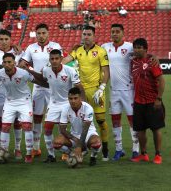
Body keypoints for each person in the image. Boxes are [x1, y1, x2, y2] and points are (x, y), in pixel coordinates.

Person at [0, 53, 47, 163]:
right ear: (2, 63)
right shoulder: (0, 73)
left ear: (14, 63)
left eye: (9, 62)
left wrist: (49, 86)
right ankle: (3, 150)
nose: (7, 64)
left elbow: (36, 81)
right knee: (5, 127)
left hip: (24, 102)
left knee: (26, 126)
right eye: (5, 62)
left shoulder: (23, 73)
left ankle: (29, 154)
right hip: (9, 102)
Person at [25, 49, 85, 162]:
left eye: (57, 58)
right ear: (49, 60)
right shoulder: (47, 70)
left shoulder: (70, 70)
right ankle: (51, 155)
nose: (54, 61)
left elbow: (79, 87)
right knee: (47, 129)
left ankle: (68, 152)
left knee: (66, 130)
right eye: (52, 59)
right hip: (53, 104)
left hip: (67, 104)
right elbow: (44, 82)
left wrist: (83, 104)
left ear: (61, 59)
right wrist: (31, 72)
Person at [62, 25, 110, 161]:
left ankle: (105, 147)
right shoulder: (78, 50)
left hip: (96, 91)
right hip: (81, 91)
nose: (86, 37)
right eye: (84, 34)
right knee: (81, 120)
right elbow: (66, 60)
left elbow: (106, 70)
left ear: (94, 36)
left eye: (89, 34)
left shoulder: (101, 51)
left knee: (101, 121)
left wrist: (102, 88)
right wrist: (56, 64)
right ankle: (82, 147)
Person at [19, 23, 62, 157]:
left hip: (53, 87)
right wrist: (25, 65)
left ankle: (63, 148)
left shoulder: (55, 46)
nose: (41, 36)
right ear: (35, 34)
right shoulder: (31, 48)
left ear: (48, 33)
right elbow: (22, 63)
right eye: (39, 33)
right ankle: (36, 147)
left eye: (44, 33)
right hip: (38, 86)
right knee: (37, 117)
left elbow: (61, 62)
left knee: (59, 118)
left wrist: (30, 68)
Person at [101, 24, 139, 160]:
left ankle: (135, 150)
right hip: (113, 91)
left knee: (132, 121)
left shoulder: (129, 47)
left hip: (129, 91)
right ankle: (119, 150)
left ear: (123, 33)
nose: (115, 34)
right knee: (115, 120)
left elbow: (143, 54)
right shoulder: (105, 47)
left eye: (117, 32)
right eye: (112, 32)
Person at [0, 29, 23, 159]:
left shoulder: (18, 52)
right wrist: (1, 68)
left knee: (17, 119)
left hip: (16, 91)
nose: (4, 42)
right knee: (0, 119)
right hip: (0, 91)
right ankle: (2, 147)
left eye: (6, 39)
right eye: (1, 39)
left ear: (10, 40)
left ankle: (17, 148)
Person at [130, 38, 165, 164]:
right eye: (135, 47)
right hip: (138, 102)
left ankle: (158, 154)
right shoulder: (133, 61)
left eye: (140, 47)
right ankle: (143, 154)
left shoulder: (151, 61)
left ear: (145, 49)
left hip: (152, 101)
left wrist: (158, 99)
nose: (137, 50)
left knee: (156, 129)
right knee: (140, 130)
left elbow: (162, 81)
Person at [53, 87, 102, 166]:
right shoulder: (65, 108)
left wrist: (79, 146)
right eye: (70, 98)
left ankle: (93, 156)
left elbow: (85, 130)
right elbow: (62, 129)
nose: (73, 101)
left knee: (96, 143)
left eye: (75, 98)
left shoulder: (88, 108)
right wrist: (75, 139)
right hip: (74, 134)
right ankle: (71, 153)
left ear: (80, 98)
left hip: (89, 134)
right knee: (56, 143)